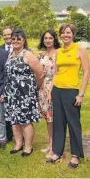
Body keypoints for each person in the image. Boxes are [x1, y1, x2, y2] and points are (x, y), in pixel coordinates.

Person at [47, 24, 89, 169]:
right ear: (60, 35)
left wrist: (81, 94)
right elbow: (56, 73)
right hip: (57, 90)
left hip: (72, 91)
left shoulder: (80, 50)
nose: (66, 35)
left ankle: (75, 155)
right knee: (58, 122)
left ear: (73, 34)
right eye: (63, 33)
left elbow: (86, 73)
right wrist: (50, 91)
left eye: (68, 33)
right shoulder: (58, 51)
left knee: (73, 123)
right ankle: (57, 152)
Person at [3, 29, 44, 157]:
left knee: (25, 121)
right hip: (11, 92)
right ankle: (18, 144)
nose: (15, 41)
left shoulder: (28, 54)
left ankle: (28, 146)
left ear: (23, 40)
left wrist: (34, 87)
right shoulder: (10, 54)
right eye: (13, 39)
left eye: (18, 39)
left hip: (25, 93)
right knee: (14, 120)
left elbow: (40, 73)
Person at [37, 29, 60, 158]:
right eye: (46, 38)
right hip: (42, 89)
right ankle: (49, 143)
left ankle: (54, 146)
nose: (48, 40)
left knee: (54, 118)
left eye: (50, 38)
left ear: (55, 39)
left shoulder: (59, 54)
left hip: (54, 87)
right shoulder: (41, 54)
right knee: (48, 118)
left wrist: (50, 91)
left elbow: (57, 74)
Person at [0, 26, 14, 142]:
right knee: (6, 110)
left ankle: (22, 135)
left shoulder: (20, 47)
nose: (7, 37)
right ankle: (9, 135)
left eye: (9, 34)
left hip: (17, 83)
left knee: (17, 109)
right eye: (5, 35)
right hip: (5, 84)